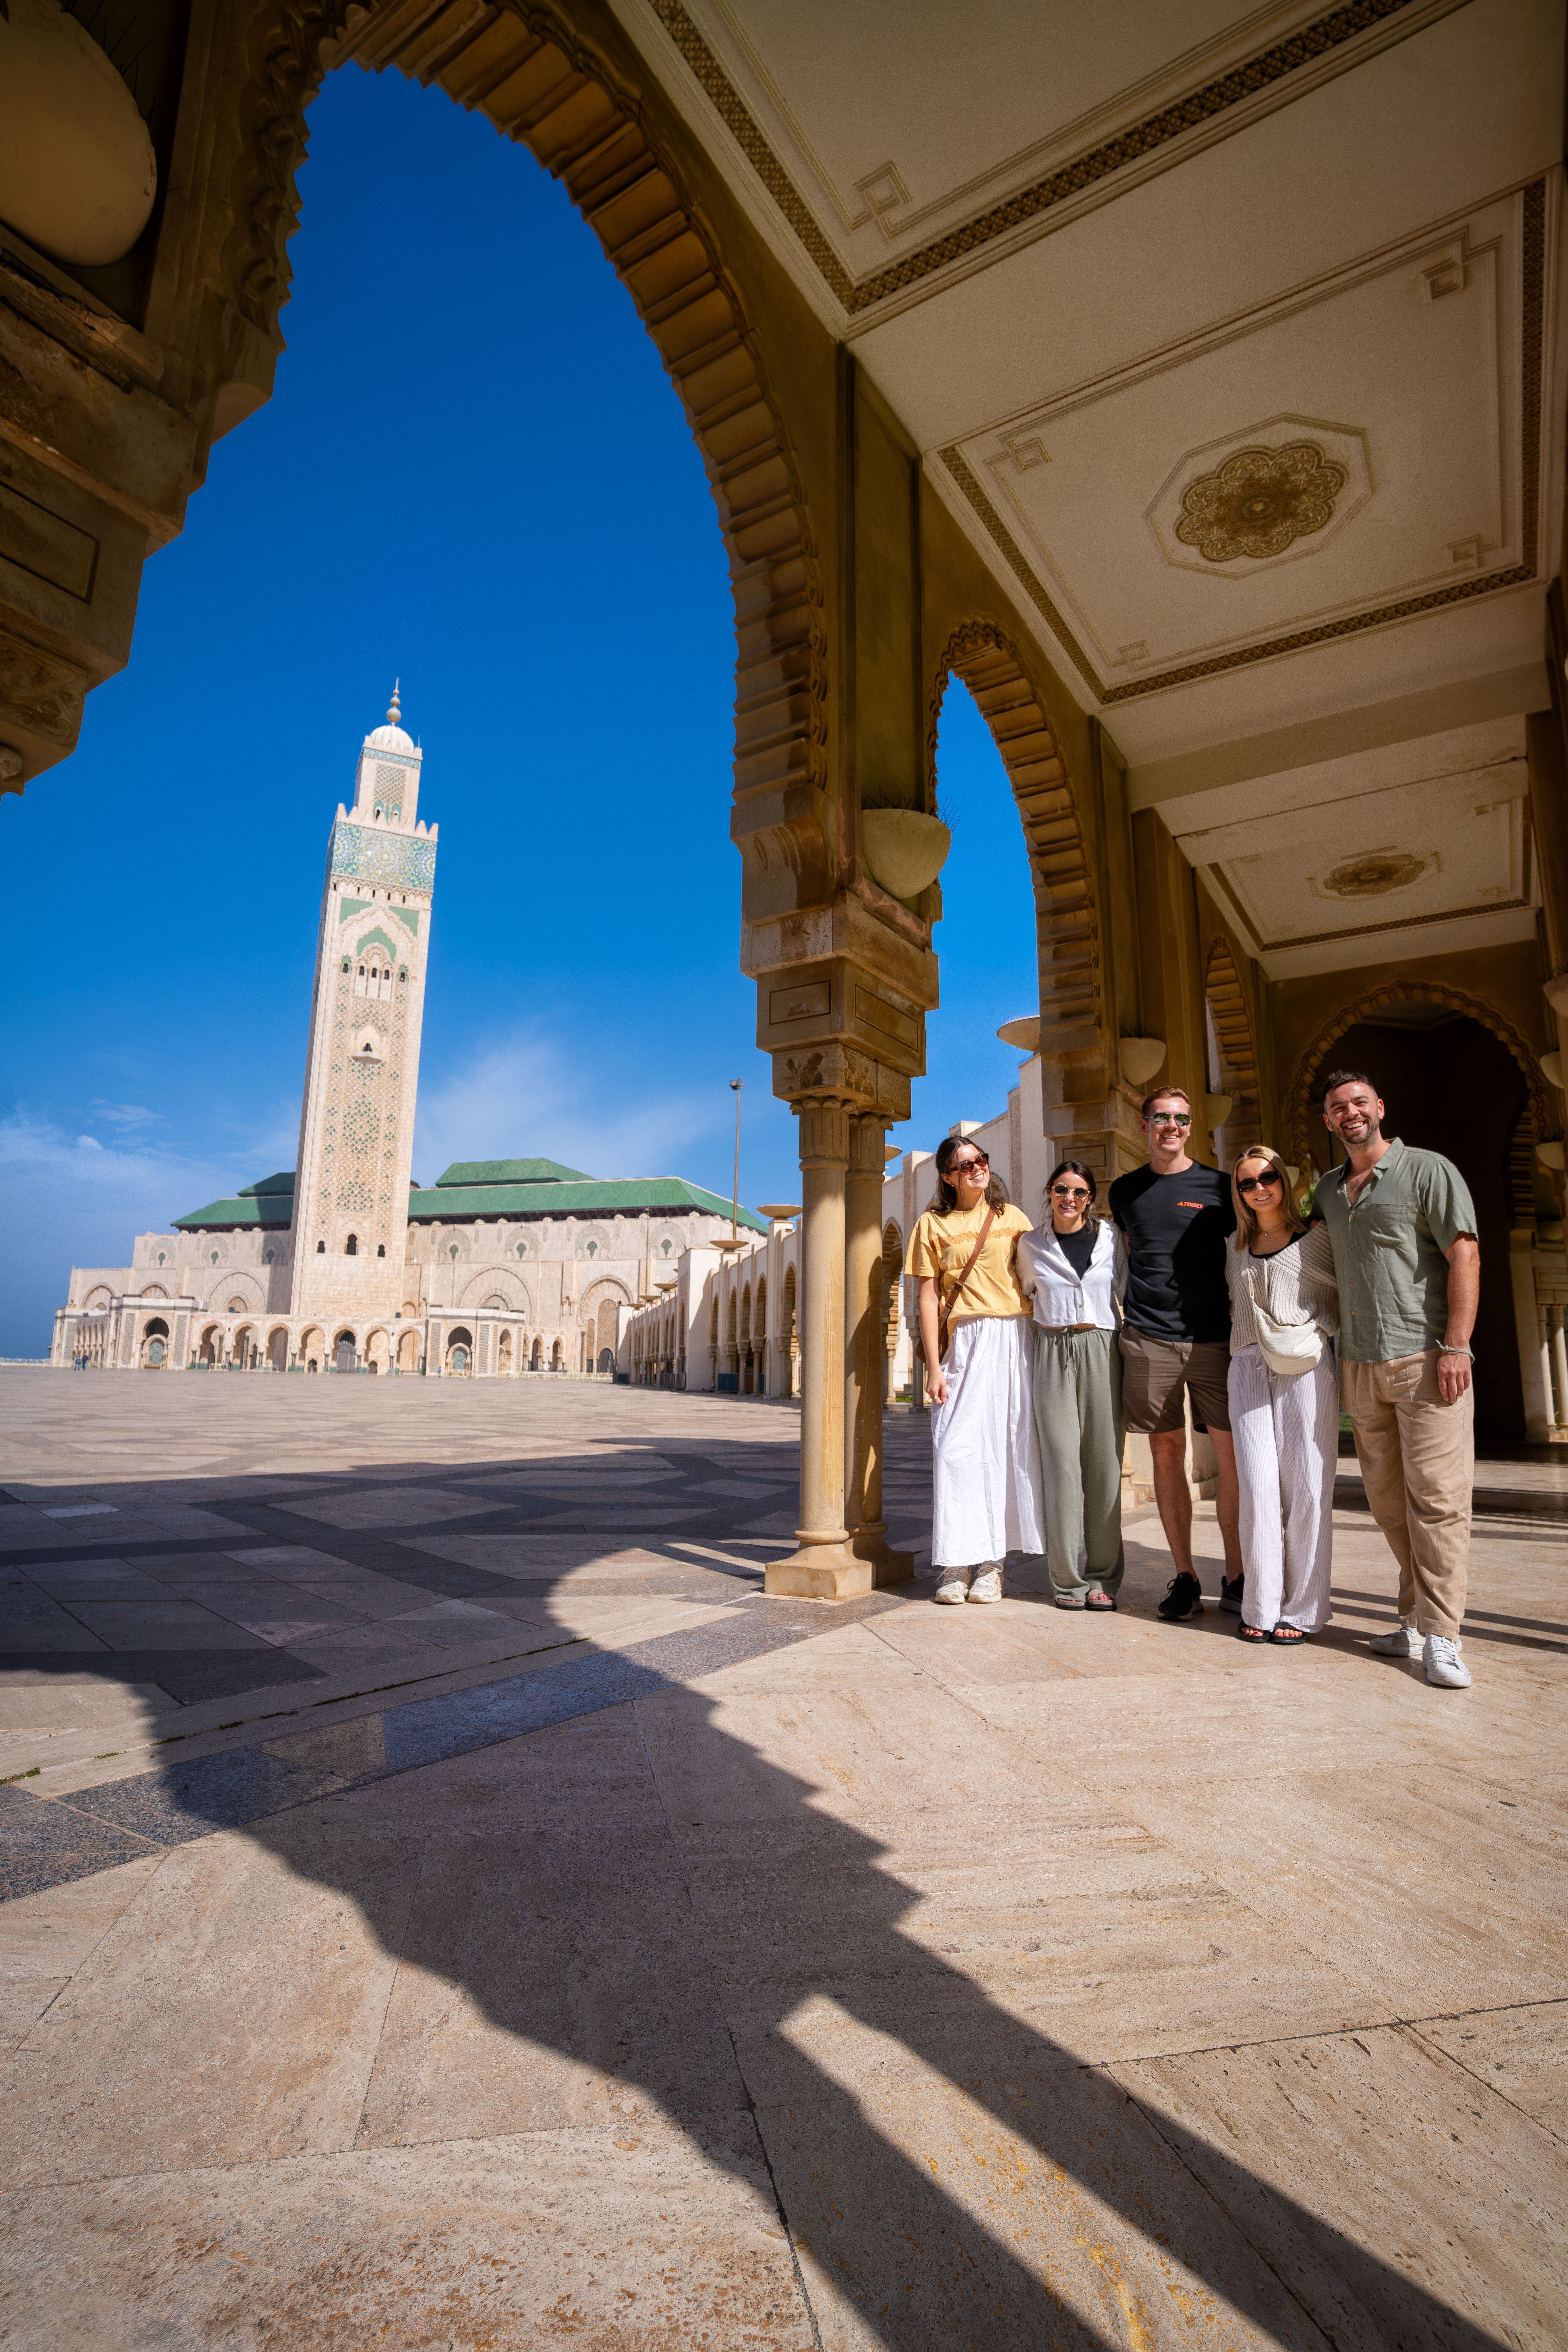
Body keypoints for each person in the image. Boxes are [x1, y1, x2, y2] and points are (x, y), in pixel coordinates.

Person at [1315, 1070, 1480, 1688]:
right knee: (1388, 1504)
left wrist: (1457, 1347)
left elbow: (1464, 1252)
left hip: (1425, 1358)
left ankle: (1443, 1636)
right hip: (1359, 1363)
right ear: (1329, 1122)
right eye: (1338, 1107)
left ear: (1379, 1107)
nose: (1351, 1112)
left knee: (1437, 1502)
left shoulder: (1428, 1171)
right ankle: (1413, 1617)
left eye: (1360, 1102)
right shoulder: (1329, 1191)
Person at [1109, 1088, 1243, 1622]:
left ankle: (1235, 1575)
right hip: (1148, 1340)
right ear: (1144, 1126)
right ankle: (1185, 1575)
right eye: (1161, 1117)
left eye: (1181, 1119)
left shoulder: (1219, 1187)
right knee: (1166, 1457)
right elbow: (1121, 1258)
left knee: (1232, 1463)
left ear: (1191, 1127)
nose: (1171, 1126)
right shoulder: (1125, 1192)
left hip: (1215, 1341)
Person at [908, 1136, 1043, 1604]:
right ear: (947, 1176)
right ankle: (954, 1564)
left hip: (1014, 1337)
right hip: (964, 1342)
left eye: (980, 1160)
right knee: (954, 1450)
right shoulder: (931, 1224)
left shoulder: (1012, 1218)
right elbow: (927, 1298)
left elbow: (1037, 1277)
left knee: (1006, 1448)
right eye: (964, 1165)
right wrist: (931, 1366)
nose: (976, 1169)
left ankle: (991, 1565)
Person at [1225, 1147, 1340, 1645]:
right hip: (1247, 1365)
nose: (1259, 1189)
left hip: (1305, 1367)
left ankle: (1303, 1608)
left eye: (1267, 1177)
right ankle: (1262, 1603)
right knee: (1256, 1488)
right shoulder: (1233, 1245)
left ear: (1284, 1181)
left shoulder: (1317, 1239)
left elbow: (1342, 1300)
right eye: (1247, 1182)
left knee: (1308, 1487)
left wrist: (1312, 1332)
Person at [1016, 1159, 1125, 1610]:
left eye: (1079, 1193)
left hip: (1101, 1347)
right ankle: (1066, 1581)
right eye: (1061, 1189)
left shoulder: (1114, 1240)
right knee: (1061, 1467)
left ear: (1090, 1199)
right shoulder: (1029, 1244)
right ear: (1049, 1191)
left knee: (1104, 1466)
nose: (1069, 1199)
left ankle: (1102, 1577)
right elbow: (1023, 1297)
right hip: (1051, 1350)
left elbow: (1125, 1289)